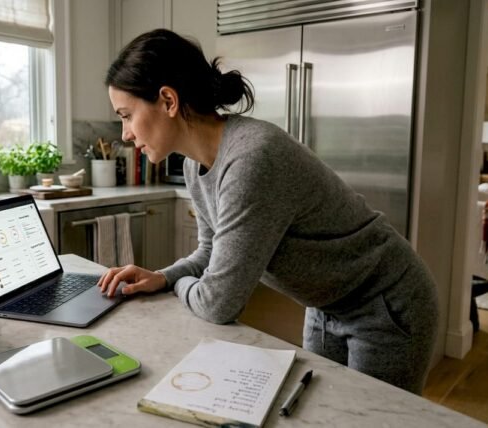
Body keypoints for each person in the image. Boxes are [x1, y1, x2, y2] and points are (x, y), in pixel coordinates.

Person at [98, 28, 438, 394]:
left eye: (126, 115)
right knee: (324, 415)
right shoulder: (193, 168)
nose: (125, 134)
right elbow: (212, 252)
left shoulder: (251, 159)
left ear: (168, 100)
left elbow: (217, 304)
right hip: (325, 304)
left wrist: (177, 285)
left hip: (384, 302)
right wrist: (162, 277)